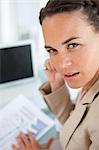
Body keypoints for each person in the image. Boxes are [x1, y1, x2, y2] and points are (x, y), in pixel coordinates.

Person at [12, 0, 99, 149]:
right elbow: (77, 124)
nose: (61, 64)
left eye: (73, 45)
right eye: (52, 50)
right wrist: (57, 84)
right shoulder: (89, 84)